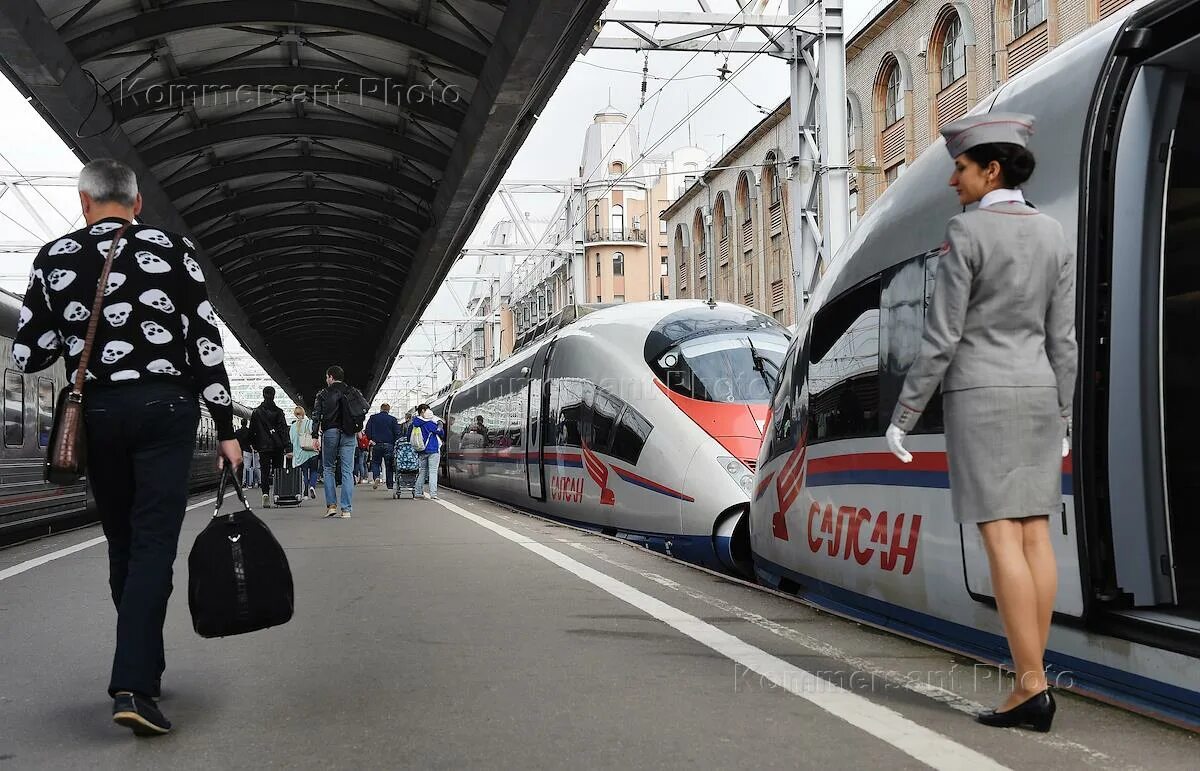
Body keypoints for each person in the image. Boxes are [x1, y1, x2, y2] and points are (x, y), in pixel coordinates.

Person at [11, 158, 241, 736]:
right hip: (167, 409)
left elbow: (27, 355)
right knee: (153, 545)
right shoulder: (172, 248)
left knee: (123, 543)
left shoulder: (54, 256)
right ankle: (134, 682)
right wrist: (227, 430)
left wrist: (70, 326)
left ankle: (144, 668)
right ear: (137, 204)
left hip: (100, 412)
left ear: (83, 203)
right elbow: (205, 340)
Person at [885, 114, 1075, 732]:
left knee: (1000, 537)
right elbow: (1063, 340)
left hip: (982, 397)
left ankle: (1031, 686)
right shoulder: (1055, 234)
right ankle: (1033, 677)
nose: (952, 181)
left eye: (960, 168)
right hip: (1040, 394)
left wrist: (905, 415)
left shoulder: (965, 234)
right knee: (1035, 535)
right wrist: (1066, 412)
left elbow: (941, 340)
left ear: (990, 169)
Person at [311, 365, 357, 518]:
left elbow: (316, 415)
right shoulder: (351, 391)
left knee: (329, 469)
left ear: (330, 377)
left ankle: (331, 506)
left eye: (326, 377)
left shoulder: (323, 393)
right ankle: (346, 510)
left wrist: (314, 436)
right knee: (347, 471)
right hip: (349, 433)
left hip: (330, 432)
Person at [249, 385, 290, 508]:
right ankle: (277, 495)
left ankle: (265, 494)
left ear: (263, 395)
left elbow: (252, 430)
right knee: (277, 471)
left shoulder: (256, 412)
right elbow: (283, 430)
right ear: (274, 395)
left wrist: (255, 444)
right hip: (277, 446)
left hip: (263, 447)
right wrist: (287, 446)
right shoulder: (279, 412)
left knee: (265, 471)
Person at [411, 404, 445, 500]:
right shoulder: (430, 423)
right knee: (433, 472)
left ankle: (417, 493)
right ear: (422, 411)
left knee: (422, 472)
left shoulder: (415, 422)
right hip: (433, 450)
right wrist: (439, 424)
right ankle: (433, 494)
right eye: (427, 409)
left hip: (421, 450)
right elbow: (441, 432)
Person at [365, 403, 401, 490]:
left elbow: (367, 430)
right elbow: (397, 433)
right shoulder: (393, 419)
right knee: (389, 465)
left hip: (376, 444)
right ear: (388, 410)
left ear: (380, 409)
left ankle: (376, 477)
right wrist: (394, 443)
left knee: (375, 462)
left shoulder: (373, 418)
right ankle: (390, 486)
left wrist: (371, 439)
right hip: (389, 445)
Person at [288, 404, 320, 499]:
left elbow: (292, 441)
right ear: (303, 413)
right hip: (312, 451)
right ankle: (312, 486)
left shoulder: (293, 427)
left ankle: (305, 494)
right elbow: (315, 434)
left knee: (304, 474)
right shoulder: (310, 423)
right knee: (314, 471)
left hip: (300, 455)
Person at [235, 418, 259, 488]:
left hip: (239, 451)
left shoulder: (237, 432)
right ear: (246, 423)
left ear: (241, 423)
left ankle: (242, 482)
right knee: (251, 467)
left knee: (241, 468)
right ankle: (252, 481)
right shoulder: (249, 432)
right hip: (248, 451)